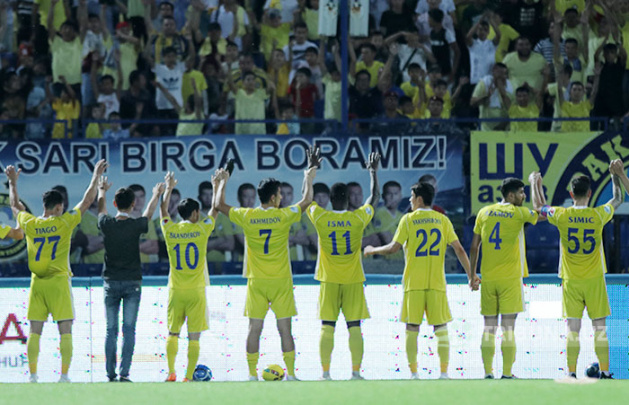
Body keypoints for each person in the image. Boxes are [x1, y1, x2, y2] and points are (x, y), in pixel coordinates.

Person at [214, 148, 321, 381]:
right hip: (281, 281)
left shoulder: (248, 215)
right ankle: (291, 374)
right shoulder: (284, 216)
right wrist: (308, 177)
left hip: (256, 281)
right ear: (273, 198)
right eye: (280, 195)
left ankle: (252, 375)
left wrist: (224, 180)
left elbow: (219, 204)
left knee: (254, 328)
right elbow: (307, 200)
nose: (281, 198)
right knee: (285, 329)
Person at [6, 159, 108, 383]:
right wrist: (95, 176)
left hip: (37, 283)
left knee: (35, 330)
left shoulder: (31, 223)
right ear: (59, 208)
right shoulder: (64, 222)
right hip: (59, 282)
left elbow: (14, 205)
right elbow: (87, 201)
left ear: (44, 206)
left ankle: (33, 375)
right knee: (65, 329)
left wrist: (12, 183)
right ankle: (63, 376)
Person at [364, 182, 475, 380]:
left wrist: (373, 250)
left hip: (413, 283)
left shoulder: (408, 220)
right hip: (436, 283)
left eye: (411, 196)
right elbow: (459, 249)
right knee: (440, 327)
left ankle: (414, 373)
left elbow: (393, 248)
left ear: (419, 199)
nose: (409, 200)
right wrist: (471, 275)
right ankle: (444, 373)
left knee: (412, 327)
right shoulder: (442, 220)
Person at [529, 167, 623, 380]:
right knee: (599, 328)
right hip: (594, 280)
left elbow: (538, 207)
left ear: (571, 194)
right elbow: (618, 198)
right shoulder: (598, 214)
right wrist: (614, 175)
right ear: (590, 193)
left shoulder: (562, 215)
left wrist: (534, 182)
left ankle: (571, 372)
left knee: (573, 329)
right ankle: (605, 371)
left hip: (571, 280)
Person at [308, 153, 380, 381]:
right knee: (354, 326)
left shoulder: (320, 216)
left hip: (328, 279)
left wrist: (311, 170)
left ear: (330, 200)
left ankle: (325, 373)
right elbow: (374, 198)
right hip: (353, 279)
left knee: (327, 326)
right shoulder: (358, 218)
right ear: (349, 199)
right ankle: (356, 372)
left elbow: (306, 199)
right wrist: (373, 172)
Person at [469, 177, 538, 379]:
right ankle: (507, 374)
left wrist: (472, 275)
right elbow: (541, 212)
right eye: (521, 192)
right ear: (510, 195)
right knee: (508, 328)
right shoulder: (518, 213)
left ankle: (487, 373)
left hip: (488, 279)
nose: (523, 196)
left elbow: (474, 247)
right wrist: (536, 185)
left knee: (489, 327)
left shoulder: (483, 212)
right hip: (510, 279)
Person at [97, 178, 164, 382]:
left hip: (110, 282)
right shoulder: (135, 226)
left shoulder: (107, 224)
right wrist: (156, 194)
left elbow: (101, 209)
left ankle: (110, 373)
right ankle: (124, 372)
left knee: (111, 330)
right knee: (129, 329)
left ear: (115, 203)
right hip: (132, 283)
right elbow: (149, 214)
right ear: (133, 204)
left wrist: (102, 190)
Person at [161, 171, 219, 382]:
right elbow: (215, 209)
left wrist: (168, 189)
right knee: (194, 337)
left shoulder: (170, 230)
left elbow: (163, 210)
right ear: (195, 213)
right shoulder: (202, 229)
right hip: (196, 291)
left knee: (173, 333)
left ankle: (171, 372)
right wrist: (217, 186)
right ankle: (188, 376)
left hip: (176, 290)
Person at [197, 180, 235, 273]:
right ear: (199, 197)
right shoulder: (195, 217)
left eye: (211, 194)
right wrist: (221, 240)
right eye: (205, 194)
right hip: (199, 265)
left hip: (220, 266)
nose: (208, 198)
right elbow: (196, 246)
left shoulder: (223, 217)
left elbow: (230, 245)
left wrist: (207, 244)